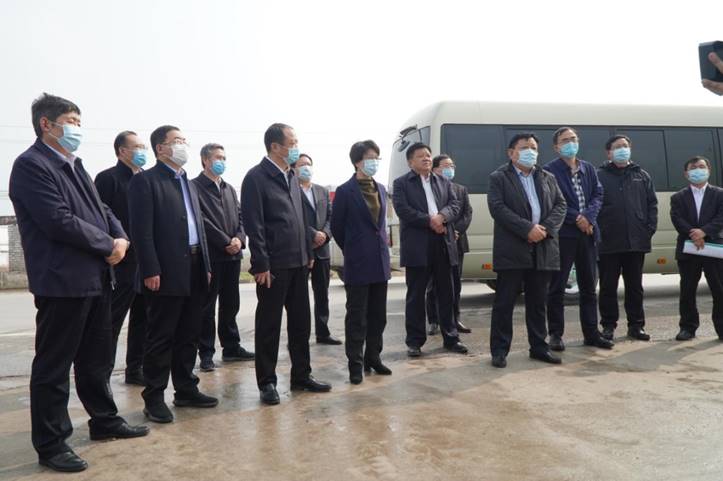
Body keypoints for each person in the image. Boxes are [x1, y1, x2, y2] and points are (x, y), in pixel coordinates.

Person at [8, 93, 148, 473]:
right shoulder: (31, 165)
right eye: (71, 121)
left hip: (97, 278)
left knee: (96, 359)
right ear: (46, 124)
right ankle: (52, 443)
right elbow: (57, 219)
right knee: (54, 366)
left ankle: (104, 420)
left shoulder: (75, 165)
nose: (77, 129)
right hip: (62, 281)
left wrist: (120, 238)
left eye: (79, 123)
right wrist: (108, 245)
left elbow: (103, 209)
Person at [128, 125, 218, 424]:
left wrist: (206, 266)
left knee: (189, 333)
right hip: (165, 271)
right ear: (160, 148)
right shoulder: (146, 181)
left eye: (184, 140)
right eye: (176, 141)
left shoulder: (188, 183)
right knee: (161, 336)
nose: (182, 145)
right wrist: (150, 268)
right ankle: (154, 397)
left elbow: (199, 227)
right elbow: (141, 231)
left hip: (194, 266)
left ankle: (186, 389)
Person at [241, 123, 332, 406]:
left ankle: (301, 375)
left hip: (298, 262)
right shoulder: (256, 178)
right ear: (275, 146)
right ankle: (267, 382)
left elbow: (299, 219)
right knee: (269, 325)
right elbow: (254, 225)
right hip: (273, 265)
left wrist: (307, 252)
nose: (296, 147)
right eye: (292, 143)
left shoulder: (291, 176)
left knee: (301, 323)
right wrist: (261, 263)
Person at [487, 133, 567, 368]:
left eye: (533, 147)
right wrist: (527, 229)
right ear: (511, 153)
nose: (530, 151)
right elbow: (498, 208)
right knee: (504, 303)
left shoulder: (547, 177)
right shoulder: (499, 177)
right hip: (512, 248)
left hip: (543, 247)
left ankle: (539, 347)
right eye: (524, 147)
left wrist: (545, 229)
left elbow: (561, 205)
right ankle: (499, 350)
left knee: (538, 302)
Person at [392, 142, 468, 357]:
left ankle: (451, 338)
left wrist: (442, 217)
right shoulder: (401, 184)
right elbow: (403, 210)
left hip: (443, 242)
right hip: (418, 244)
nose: (426, 158)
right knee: (416, 295)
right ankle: (415, 342)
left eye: (428, 155)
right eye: (420, 156)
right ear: (410, 162)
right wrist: (430, 221)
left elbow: (455, 205)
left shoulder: (443, 181)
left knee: (447, 293)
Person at [544, 127, 613, 351]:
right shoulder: (549, 171)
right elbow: (554, 201)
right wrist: (577, 218)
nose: (570, 143)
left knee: (589, 287)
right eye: (565, 140)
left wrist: (588, 217)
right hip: (564, 235)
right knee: (557, 288)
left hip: (588, 234)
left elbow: (598, 195)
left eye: (573, 139)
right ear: (556, 147)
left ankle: (591, 333)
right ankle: (555, 335)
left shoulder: (588, 168)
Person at [330, 140, 392, 384]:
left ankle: (373, 358)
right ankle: (355, 364)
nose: (374, 162)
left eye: (377, 157)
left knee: (379, 315)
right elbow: (337, 227)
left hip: (380, 260)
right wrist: (354, 248)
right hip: (357, 262)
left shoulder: (381, 188)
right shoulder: (345, 191)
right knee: (357, 316)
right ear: (357, 162)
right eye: (369, 157)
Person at [192, 143, 254, 372]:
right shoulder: (194, 187)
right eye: (217, 157)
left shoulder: (229, 188)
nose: (222, 161)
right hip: (211, 256)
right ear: (205, 160)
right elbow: (201, 220)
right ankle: (206, 353)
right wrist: (225, 241)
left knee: (231, 304)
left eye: (224, 158)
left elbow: (240, 216)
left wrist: (239, 238)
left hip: (233, 256)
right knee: (206, 307)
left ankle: (231, 347)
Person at [94, 130, 148, 386]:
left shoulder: (147, 179)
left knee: (143, 320)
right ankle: (101, 375)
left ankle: (135, 369)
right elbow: (99, 218)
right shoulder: (108, 179)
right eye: (137, 147)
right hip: (121, 263)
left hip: (146, 263)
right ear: (122, 151)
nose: (142, 151)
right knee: (111, 322)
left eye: (143, 147)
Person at [596, 135, 658, 341]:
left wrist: (648, 230)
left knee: (635, 287)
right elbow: (592, 206)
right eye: (617, 147)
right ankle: (608, 326)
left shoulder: (641, 175)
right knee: (608, 287)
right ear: (609, 153)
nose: (622, 149)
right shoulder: (599, 176)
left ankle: (636, 326)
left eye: (625, 146)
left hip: (636, 242)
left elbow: (652, 205)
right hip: (608, 242)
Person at [670, 155, 723, 341]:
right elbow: (677, 219)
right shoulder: (678, 197)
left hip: (714, 248)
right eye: (693, 168)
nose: (698, 170)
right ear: (686, 174)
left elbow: (721, 217)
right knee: (687, 290)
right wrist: (694, 234)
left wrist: (704, 232)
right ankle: (688, 327)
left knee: (719, 290)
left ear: (708, 170)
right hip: (689, 248)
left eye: (701, 166)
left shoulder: (719, 194)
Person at [295, 153, 341, 345]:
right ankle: (298, 336)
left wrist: (324, 234)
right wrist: (312, 234)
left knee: (322, 294)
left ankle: (323, 333)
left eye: (308, 164)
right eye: (301, 164)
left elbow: (331, 216)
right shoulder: (290, 191)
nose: (306, 167)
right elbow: (293, 218)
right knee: (298, 297)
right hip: (300, 249)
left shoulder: (322, 191)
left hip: (322, 250)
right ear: (294, 168)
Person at [426, 154, 473, 335]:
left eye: (452, 165)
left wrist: (456, 231)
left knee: (455, 284)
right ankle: (433, 320)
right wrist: (445, 229)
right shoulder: (429, 188)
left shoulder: (460, 189)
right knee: (433, 285)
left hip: (456, 243)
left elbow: (467, 213)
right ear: (435, 169)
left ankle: (455, 318)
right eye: (446, 166)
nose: (450, 169)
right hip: (436, 239)